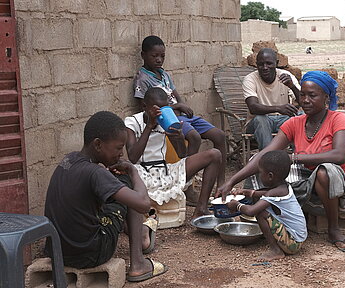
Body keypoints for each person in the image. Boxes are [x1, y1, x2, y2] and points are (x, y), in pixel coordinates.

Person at [220, 71, 345, 252]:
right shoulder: (295, 123)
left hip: (340, 189)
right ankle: (263, 219)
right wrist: (231, 181)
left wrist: (293, 157)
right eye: (302, 95)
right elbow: (266, 154)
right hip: (307, 183)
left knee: (325, 171)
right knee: (265, 166)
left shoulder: (338, 119)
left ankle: (333, 229)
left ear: (326, 97)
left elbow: (339, 155)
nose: (306, 100)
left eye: (312, 95)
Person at [44, 111, 167, 282]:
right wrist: (133, 171)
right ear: (98, 145)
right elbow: (144, 204)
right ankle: (138, 263)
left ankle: (140, 231)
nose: (121, 154)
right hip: (90, 254)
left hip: (57, 253)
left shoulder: (69, 159)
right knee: (126, 183)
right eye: (118, 148)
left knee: (113, 191)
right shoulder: (95, 174)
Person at [133, 35, 226, 187]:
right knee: (194, 137)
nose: (159, 60)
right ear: (143, 55)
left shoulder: (164, 74)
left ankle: (221, 183)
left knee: (220, 136)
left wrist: (181, 106)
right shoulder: (142, 79)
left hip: (181, 116)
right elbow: (144, 108)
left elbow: (175, 96)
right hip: (167, 119)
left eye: (162, 56)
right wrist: (177, 107)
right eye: (154, 56)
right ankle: (188, 184)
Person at [125, 87, 222, 219]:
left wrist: (179, 138)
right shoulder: (132, 122)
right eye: (156, 108)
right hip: (142, 173)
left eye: (165, 108)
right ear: (144, 106)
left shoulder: (165, 121)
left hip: (165, 171)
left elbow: (182, 155)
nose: (161, 113)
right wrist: (149, 126)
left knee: (215, 154)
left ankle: (201, 208)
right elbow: (132, 157)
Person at [226, 150, 307, 261]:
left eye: (260, 173)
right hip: (298, 238)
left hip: (293, 244)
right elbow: (263, 194)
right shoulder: (284, 187)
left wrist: (236, 205)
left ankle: (276, 250)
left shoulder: (273, 193)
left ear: (270, 176)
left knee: (261, 213)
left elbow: (251, 211)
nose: (259, 175)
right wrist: (246, 191)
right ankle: (277, 244)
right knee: (259, 201)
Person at [243, 48, 301, 150]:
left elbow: (304, 102)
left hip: (283, 120)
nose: (265, 67)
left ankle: (301, 157)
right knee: (260, 119)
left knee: (300, 117)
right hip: (258, 123)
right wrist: (278, 108)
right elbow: (253, 107)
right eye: (261, 64)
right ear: (256, 65)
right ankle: (269, 159)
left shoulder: (286, 77)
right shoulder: (250, 79)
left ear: (276, 63)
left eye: (269, 63)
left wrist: (292, 86)